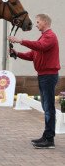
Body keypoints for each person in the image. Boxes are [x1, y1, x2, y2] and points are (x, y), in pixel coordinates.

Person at [8, 14, 60, 149]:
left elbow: (40, 46)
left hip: (49, 76)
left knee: (48, 108)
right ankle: (47, 136)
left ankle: (49, 140)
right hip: (44, 76)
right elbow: (32, 54)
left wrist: (20, 41)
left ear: (44, 22)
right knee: (46, 106)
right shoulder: (43, 37)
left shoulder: (50, 36)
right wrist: (17, 53)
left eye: (37, 22)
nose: (36, 24)